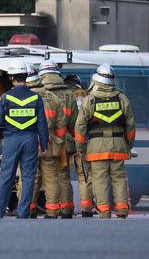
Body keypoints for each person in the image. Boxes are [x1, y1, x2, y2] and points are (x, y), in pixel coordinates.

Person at [75, 63, 136, 219]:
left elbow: (80, 126)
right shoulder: (123, 99)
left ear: (97, 80)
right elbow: (130, 127)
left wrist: (81, 147)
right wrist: (128, 146)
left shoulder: (90, 100)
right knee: (119, 178)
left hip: (96, 148)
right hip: (118, 145)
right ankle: (122, 211)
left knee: (99, 180)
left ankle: (104, 212)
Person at [0, 60, 48, 219]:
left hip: (12, 139)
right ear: (26, 76)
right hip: (31, 139)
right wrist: (44, 145)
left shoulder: (5, 97)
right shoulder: (36, 98)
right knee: (28, 177)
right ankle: (23, 212)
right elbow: (42, 124)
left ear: (12, 78)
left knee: (6, 177)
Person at [17, 62, 66, 218]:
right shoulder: (52, 97)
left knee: (29, 179)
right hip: (49, 144)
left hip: (26, 144)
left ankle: (28, 210)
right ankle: (52, 211)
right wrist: (58, 141)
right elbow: (61, 125)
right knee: (52, 180)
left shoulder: (17, 95)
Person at [39, 60, 77, 218]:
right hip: (63, 141)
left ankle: (32, 209)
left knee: (37, 177)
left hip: (41, 140)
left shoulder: (39, 93)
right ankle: (67, 210)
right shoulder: (69, 94)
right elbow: (75, 122)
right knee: (62, 175)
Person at [63, 74, 94, 217]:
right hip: (82, 141)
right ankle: (87, 209)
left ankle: (65, 209)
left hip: (65, 142)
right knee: (84, 177)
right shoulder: (85, 95)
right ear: (79, 83)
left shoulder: (62, 95)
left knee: (63, 176)